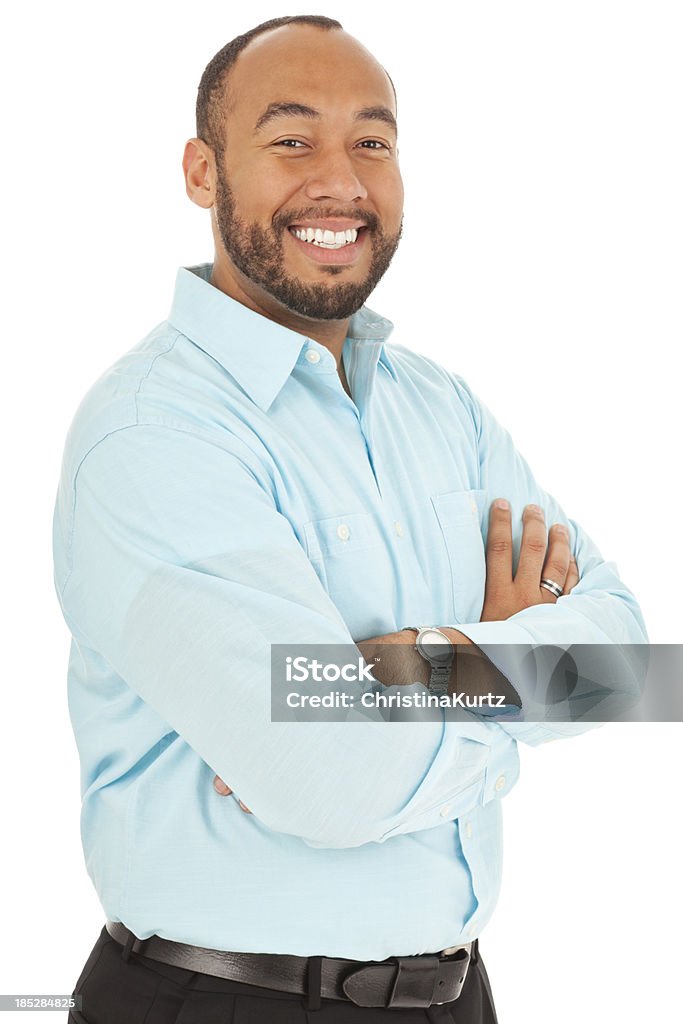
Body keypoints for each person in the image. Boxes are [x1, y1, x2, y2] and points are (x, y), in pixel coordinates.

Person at [52, 14, 648, 1024]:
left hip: (457, 993)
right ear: (203, 172)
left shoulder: (440, 406)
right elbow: (330, 783)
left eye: (371, 141)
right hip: (223, 1001)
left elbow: (629, 662)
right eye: (291, 139)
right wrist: (510, 679)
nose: (341, 181)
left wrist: (399, 669)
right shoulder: (154, 434)